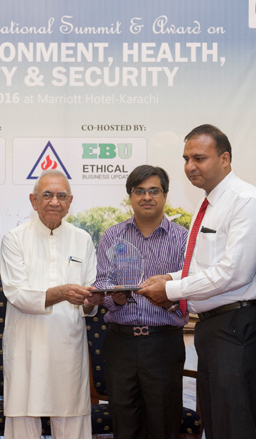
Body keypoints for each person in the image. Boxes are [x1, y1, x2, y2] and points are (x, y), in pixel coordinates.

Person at [136, 124, 256, 439]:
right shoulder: (211, 204)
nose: (190, 166)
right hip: (215, 330)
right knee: (217, 428)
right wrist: (170, 278)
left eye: (199, 158)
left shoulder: (246, 201)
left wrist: (170, 290)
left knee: (234, 429)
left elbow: (234, 273)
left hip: (239, 329)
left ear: (225, 159)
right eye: (186, 159)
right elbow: (204, 268)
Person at [0, 169, 104, 439]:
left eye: (61, 196)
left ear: (70, 202)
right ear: (33, 201)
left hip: (68, 348)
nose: (54, 202)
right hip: (26, 346)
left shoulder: (83, 239)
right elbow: (17, 294)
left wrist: (91, 302)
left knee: (72, 423)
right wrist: (63, 292)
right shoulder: (14, 238)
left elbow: (89, 301)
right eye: (47, 195)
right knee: (22, 422)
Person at [95, 165, 189, 439]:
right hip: (120, 343)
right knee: (124, 425)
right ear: (130, 196)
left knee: (164, 424)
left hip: (163, 342)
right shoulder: (112, 235)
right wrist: (115, 299)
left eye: (154, 191)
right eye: (139, 191)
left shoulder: (183, 238)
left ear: (165, 195)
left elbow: (192, 286)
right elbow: (102, 282)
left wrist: (168, 299)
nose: (147, 197)